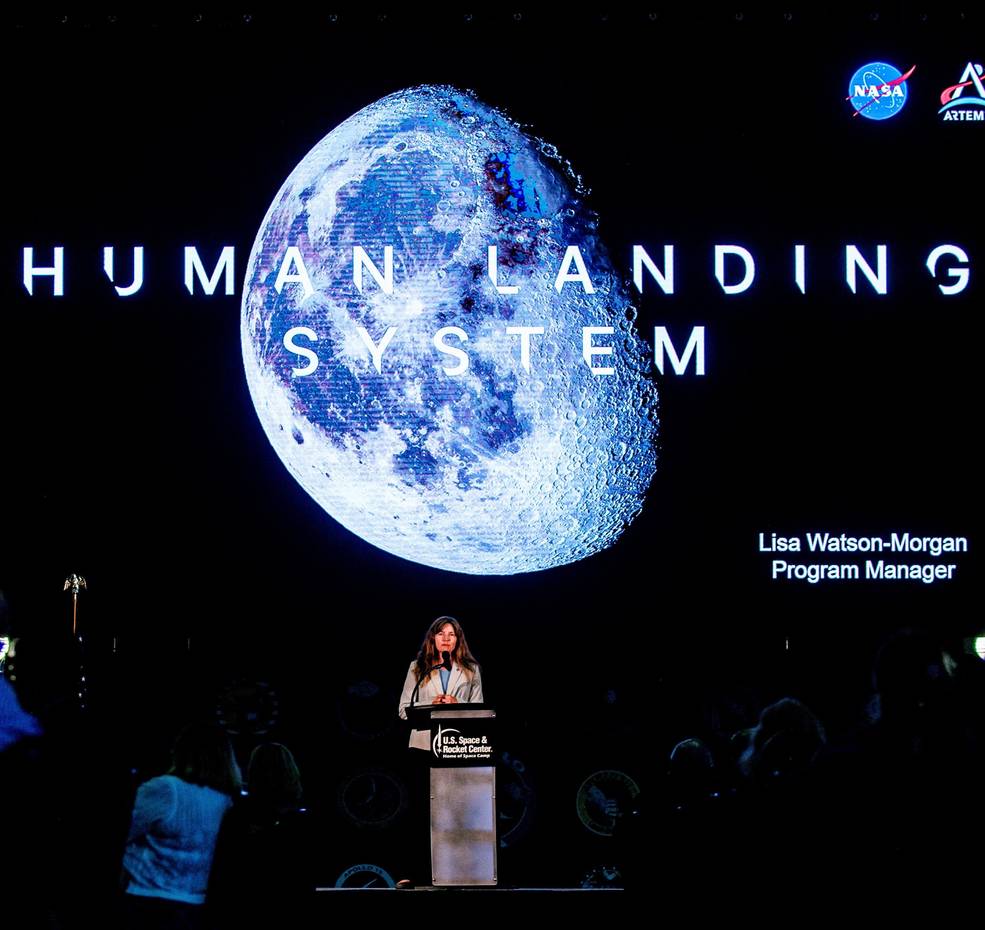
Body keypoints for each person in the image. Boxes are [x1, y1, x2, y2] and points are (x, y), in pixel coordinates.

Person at [120, 722, 241, 929]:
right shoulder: (225, 800)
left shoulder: (165, 788)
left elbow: (123, 833)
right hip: (193, 904)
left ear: (182, 750)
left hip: (145, 899)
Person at [398, 616, 483, 750]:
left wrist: (457, 703)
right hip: (423, 746)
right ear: (433, 637)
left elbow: (479, 713)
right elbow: (403, 710)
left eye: (451, 634)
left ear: (457, 639)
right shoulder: (417, 667)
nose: (446, 639)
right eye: (440, 634)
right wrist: (432, 703)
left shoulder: (471, 670)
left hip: (458, 745)